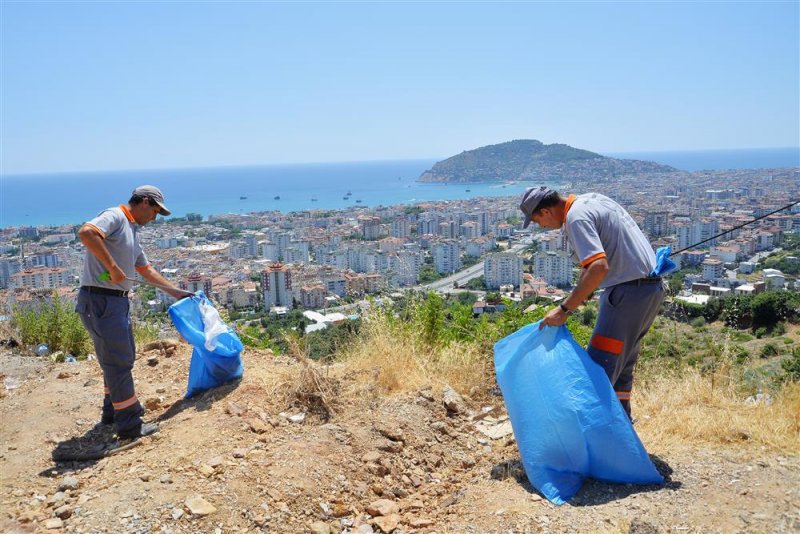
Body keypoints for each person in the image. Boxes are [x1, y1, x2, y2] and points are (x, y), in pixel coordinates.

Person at [519, 186, 665, 418]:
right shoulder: (594, 200)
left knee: (597, 370)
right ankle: (622, 436)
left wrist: (564, 309)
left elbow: (598, 267)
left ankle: (589, 441)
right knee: (622, 369)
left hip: (625, 295)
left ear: (546, 211)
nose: (542, 226)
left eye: (537, 221)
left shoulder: (576, 218)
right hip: (649, 291)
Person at [76, 185, 191, 439]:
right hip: (101, 300)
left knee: (119, 359)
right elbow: (87, 232)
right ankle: (130, 425)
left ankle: (112, 413)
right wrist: (113, 267)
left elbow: (146, 271)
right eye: (155, 211)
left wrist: (178, 294)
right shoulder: (116, 216)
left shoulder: (132, 232)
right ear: (145, 202)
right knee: (118, 362)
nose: (155, 218)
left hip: (114, 301)